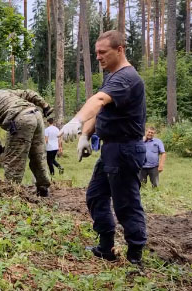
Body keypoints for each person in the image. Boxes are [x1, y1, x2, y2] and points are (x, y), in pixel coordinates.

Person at [59, 30, 147, 264]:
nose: (98, 57)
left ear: (120, 50)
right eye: (96, 52)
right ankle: (105, 247)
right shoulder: (112, 76)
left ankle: (135, 258)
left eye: (102, 52)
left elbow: (97, 101)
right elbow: (102, 109)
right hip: (111, 149)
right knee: (96, 195)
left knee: (126, 204)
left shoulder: (126, 78)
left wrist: (76, 121)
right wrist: (85, 135)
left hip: (125, 150)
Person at [0, 87, 53, 197]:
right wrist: (45, 105)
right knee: (38, 154)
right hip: (36, 115)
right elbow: (28, 93)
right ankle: (43, 187)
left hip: (20, 120)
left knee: (14, 160)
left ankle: (10, 193)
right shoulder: (1, 92)